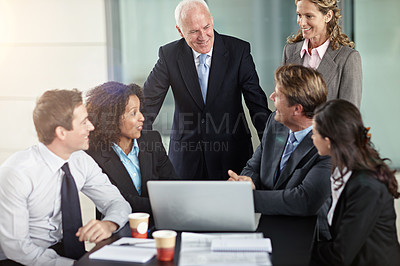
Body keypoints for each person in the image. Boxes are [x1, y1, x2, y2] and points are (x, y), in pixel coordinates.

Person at [143, 0, 271, 180]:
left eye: (206, 27)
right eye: (194, 31)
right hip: (186, 160)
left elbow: (257, 105)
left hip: (232, 157)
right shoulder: (169, 55)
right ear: (180, 31)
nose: (203, 36)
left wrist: (273, 150)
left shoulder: (238, 51)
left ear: (211, 19)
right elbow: (146, 106)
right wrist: (142, 151)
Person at [0, 89, 131, 265]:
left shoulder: (81, 160)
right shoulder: (17, 173)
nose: (91, 127)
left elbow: (117, 202)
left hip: (64, 251)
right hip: (19, 260)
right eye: (84, 122)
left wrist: (109, 224)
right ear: (61, 132)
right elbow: (18, 248)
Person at [228, 64, 332, 240]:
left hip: (308, 238)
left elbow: (303, 200)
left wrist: (247, 198)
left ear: (297, 109)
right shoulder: (275, 123)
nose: (272, 97)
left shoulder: (327, 144)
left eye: (278, 94)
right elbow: (253, 166)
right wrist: (245, 182)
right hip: (267, 225)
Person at [311, 99, 400, 265]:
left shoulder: (367, 187)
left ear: (329, 141)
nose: (312, 137)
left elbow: (340, 254)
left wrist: (304, 250)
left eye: (315, 132)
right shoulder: (343, 171)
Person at [85, 81, 177, 222]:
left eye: (140, 110)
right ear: (112, 119)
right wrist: (168, 205)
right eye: (133, 113)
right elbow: (120, 199)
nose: (142, 118)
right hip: (119, 228)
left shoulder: (152, 140)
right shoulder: (94, 154)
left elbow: (173, 185)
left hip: (160, 224)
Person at [282, 0, 362, 108]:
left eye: (309, 16)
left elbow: (348, 116)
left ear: (328, 16)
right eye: (299, 15)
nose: (302, 22)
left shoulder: (347, 58)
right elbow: (284, 104)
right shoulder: (289, 51)